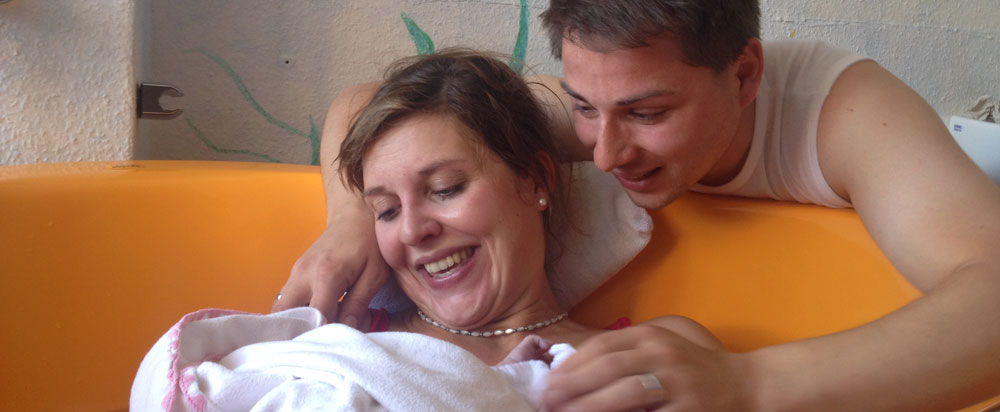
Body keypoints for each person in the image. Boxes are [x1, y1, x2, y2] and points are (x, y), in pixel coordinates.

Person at [275, 1, 1000, 410]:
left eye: (647, 114)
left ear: (746, 74)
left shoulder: (846, 115)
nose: (604, 154)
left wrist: (749, 384)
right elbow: (368, 103)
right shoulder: (608, 96)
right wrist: (353, 219)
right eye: (583, 108)